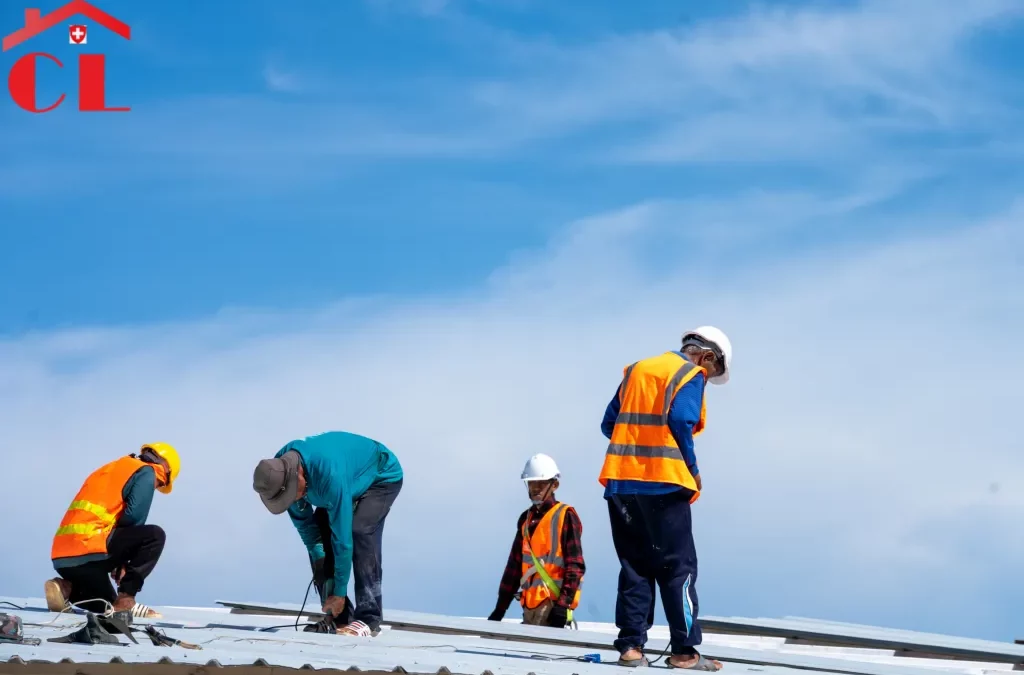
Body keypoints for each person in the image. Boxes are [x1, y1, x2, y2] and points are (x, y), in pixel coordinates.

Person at [597, 326, 733, 670]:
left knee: (635, 566)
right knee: (678, 568)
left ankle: (631, 648)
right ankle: (685, 652)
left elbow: (609, 423)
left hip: (622, 485)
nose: (707, 378)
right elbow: (679, 420)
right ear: (707, 357)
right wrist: (692, 469)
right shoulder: (690, 373)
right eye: (711, 371)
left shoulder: (638, 370)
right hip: (665, 485)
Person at [252, 431, 403, 637]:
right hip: (338, 481)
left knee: (360, 531)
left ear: (298, 475)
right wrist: (322, 570)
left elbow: (343, 541)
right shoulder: (277, 472)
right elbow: (310, 534)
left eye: (292, 495)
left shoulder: (330, 478)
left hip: (380, 475)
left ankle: (369, 619)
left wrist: (339, 592)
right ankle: (340, 618)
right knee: (322, 540)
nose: (295, 500)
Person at [43, 443, 181, 619]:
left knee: (107, 605)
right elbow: (134, 517)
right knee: (154, 536)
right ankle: (127, 599)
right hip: (92, 546)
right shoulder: (147, 471)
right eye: (160, 484)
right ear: (165, 468)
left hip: (63, 557)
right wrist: (122, 562)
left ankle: (66, 588)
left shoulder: (111, 469)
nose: (156, 486)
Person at [487, 454, 585, 629]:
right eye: (531, 483)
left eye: (541, 483)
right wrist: (500, 609)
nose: (535, 488)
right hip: (529, 606)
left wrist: (563, 605)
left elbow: (575, 566)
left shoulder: (565, 515)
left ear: (554, 485)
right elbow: (513, 568)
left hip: (553, 604)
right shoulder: (526, 519)